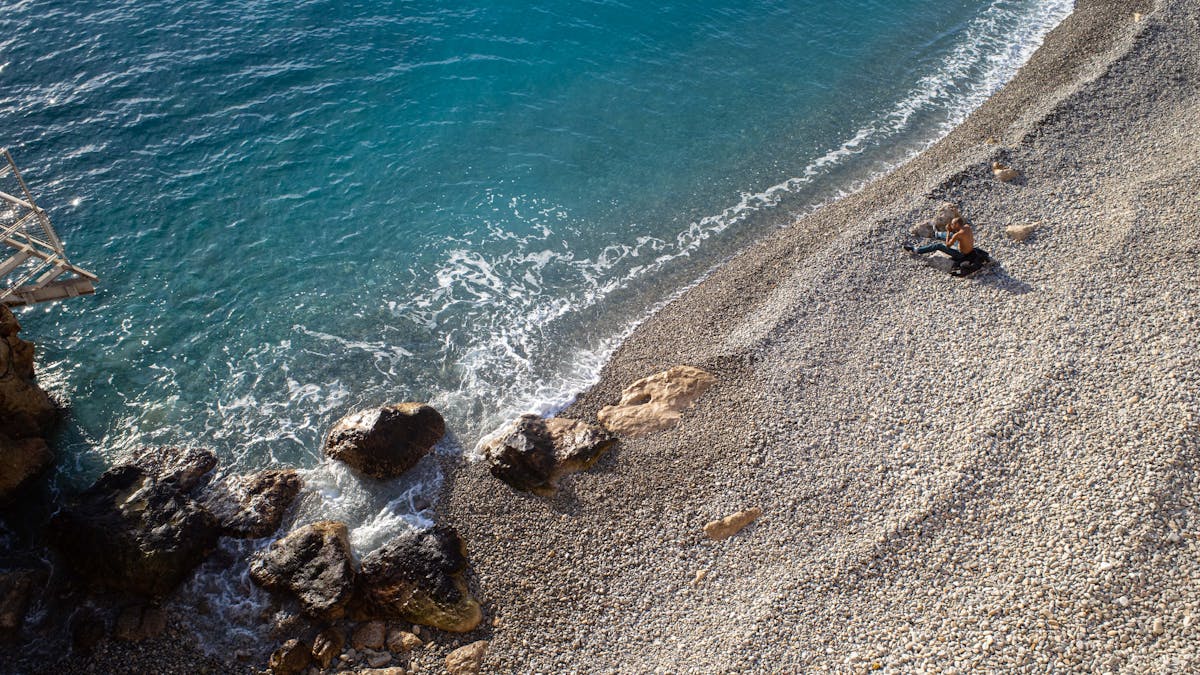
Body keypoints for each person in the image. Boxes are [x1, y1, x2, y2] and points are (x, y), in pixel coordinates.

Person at [904, 216, 974, 262]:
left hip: (960, 255)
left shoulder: (958, 234)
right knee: (952, 235)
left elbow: (947, 245)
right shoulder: (967, 227)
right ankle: (937, 234)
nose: (951, 225)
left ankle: (916, 250)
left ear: (957, 225)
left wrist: (948, 231)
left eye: (953, 224)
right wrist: (951, 232)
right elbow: (959, 235)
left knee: (938, 245)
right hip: (969, 250)